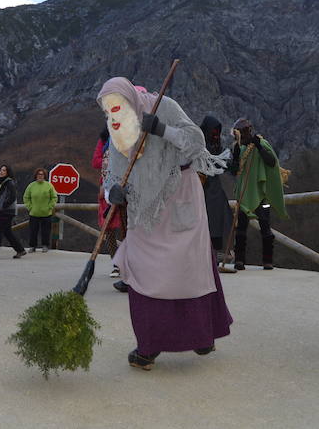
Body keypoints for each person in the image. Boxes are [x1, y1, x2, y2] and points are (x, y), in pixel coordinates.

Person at [99, 76, 232, 371]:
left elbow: (195, 144)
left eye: (116, 105)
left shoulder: (166, 107)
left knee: (189, 269)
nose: (113, 113)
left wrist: (162, 129)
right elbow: (112, 175)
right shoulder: (117, 127)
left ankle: (202, 336)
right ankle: (148, 346)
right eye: (108, 109)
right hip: (144, 211)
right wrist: (113, 193)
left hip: (180, 195)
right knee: (146, 273)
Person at [228, 118, 288, 271]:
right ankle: (239, 260)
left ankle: (268, 261)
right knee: (240, 229)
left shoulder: (261, 144)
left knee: (265, 227)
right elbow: (234, 171)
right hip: (244, 193)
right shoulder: (237, 149)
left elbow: (272, 163)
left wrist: (259, 146)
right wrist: (235, 158)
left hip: (262, 194)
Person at [92, 125, 125, 278]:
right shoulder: (104, 140)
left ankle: (130, 262)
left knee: (127, 228)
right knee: (109, 229)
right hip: (106, 187)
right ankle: (116, 264)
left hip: (126, 187)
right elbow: (96, 161)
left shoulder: (128, 138)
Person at [199, 116, 233, 257]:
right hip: (201, 191)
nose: (215, 135)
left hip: (215, 193)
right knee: (204, 225)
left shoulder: (217, 147)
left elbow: (226, 165)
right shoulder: (199, 146)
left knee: (217, 223)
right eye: (212, 132)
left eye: (217, 132)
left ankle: (214, 257)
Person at [0, 164, 26, 260]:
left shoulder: (9, 183)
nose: (1, 172)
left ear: (8, 173)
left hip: (6, 211)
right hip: (4, 211)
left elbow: (12, 196)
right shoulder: (3, 183)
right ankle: (20, 249)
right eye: (1, 170)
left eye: (4, 170)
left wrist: (3, 206)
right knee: (7, 232)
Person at [23, 168, 57, 253]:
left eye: (42, 174)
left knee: (46, 231)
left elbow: (54, 197)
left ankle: (45, 245)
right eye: (39, 174)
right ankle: (32, 246)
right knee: (33, 231)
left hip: (46, 213)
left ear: (44, 176)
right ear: (36, 176)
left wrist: (50, 207)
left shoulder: (49, 186)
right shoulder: (31, 186)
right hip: (34, 213)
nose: (40, 176)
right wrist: (30, 207)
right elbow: (26, 197)